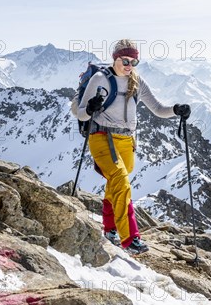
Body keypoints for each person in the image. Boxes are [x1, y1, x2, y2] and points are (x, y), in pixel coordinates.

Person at [77, 39, 191, 255]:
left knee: (117, 181)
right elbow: (80, 113)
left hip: (127, 140)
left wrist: (176, 110)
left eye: (134, 61)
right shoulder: (100, 79)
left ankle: (110, 229)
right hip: (101, 136)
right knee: (121, 181)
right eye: (125, 60)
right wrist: (91, 108)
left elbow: (157, 109)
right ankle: (130, 239)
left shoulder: (136, 81)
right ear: (115, 58)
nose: (129, 65)